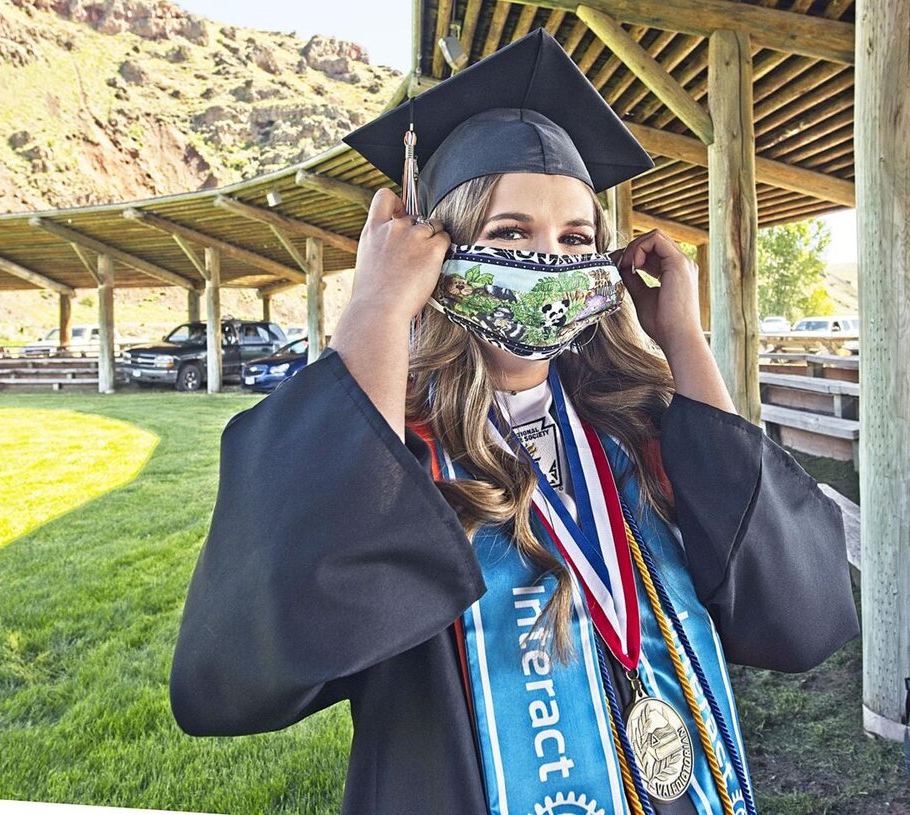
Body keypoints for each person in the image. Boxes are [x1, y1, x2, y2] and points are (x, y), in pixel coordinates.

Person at [169, 29, 859, 815]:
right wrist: (377, 311)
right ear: (440, 250)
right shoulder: (396, 460)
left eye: (574, 238)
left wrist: (682, 341)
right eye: (509, 234)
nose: (547, 262)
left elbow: (797, 616)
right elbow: (238, 675)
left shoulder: (635, 435)